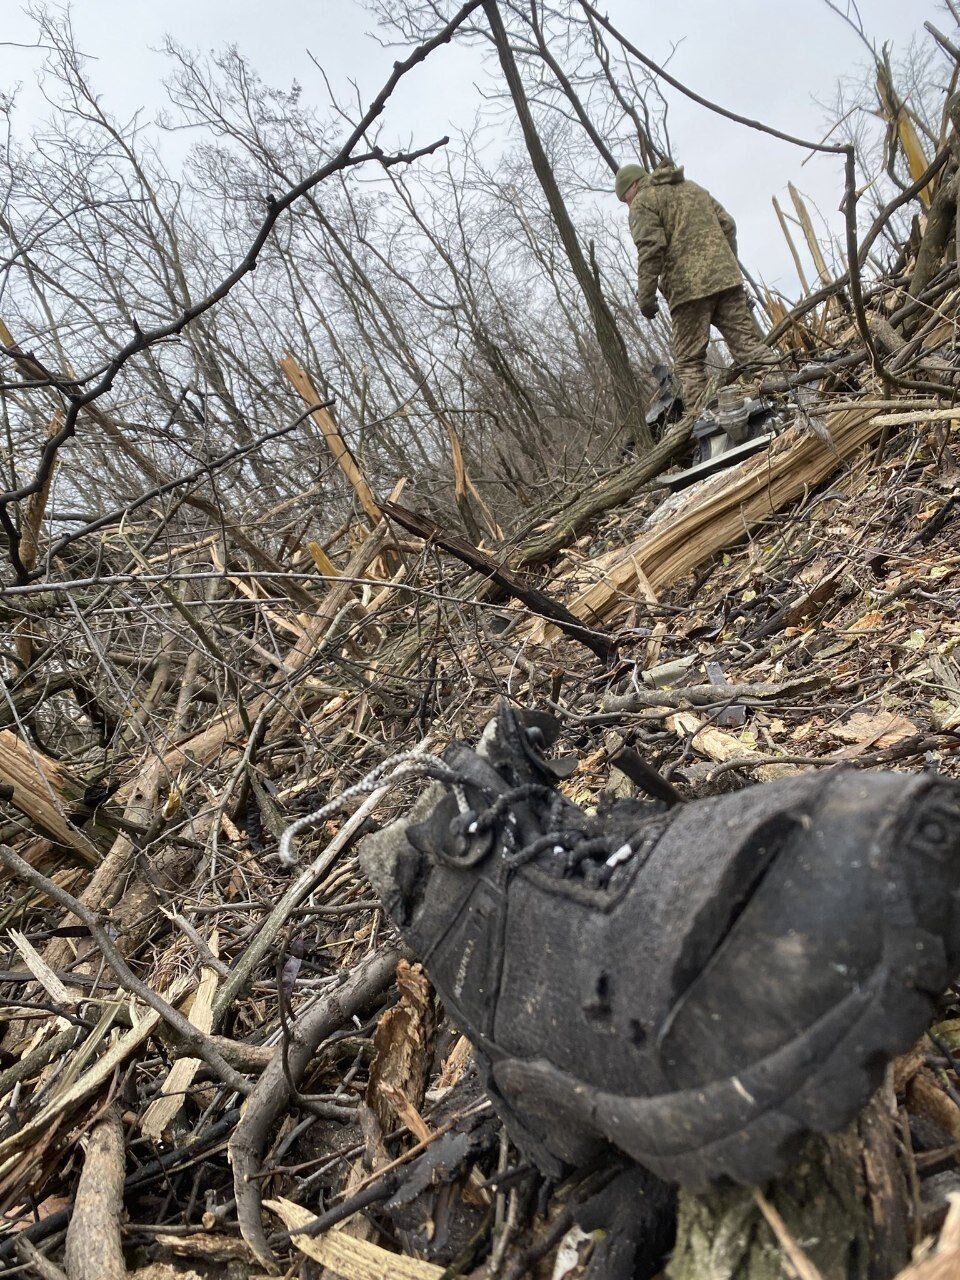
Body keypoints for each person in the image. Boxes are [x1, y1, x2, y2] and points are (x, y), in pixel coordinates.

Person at [615, 160, 775, 411]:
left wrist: (645, 298)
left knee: (690, 364)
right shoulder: (692, 188)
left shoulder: (643, 202)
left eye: (625, 198)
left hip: (688, 291)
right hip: (726, 281)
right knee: (749, 347)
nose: (627, 204)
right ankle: (788, 392)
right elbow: (728, 224)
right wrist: (725, 265)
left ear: (633, 185)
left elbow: (650, 248)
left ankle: (707, 424)